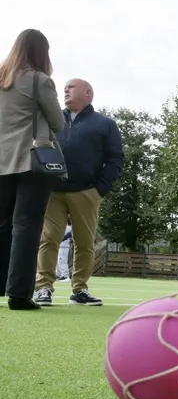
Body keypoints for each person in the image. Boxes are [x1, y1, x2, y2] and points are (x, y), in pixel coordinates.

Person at [34, 78, 124, 306]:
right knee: (48, 239)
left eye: (71, 87)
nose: (65, 89)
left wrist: (100, 188)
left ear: (88, 93)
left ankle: (80, 290)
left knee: (84, 242)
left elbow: (115, 158)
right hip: (52, 190)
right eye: (65, 87)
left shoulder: (105, 124)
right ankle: (43, 288)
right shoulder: (52, 119)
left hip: (86, 191)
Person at [0, 29, 65, 310]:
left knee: (2, 225)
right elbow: (59, 123)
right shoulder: (40, 80)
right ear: (41, 52)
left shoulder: (2, 78)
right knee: (27, 225)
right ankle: (18, 294)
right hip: (32, 159)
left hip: (1, 160)